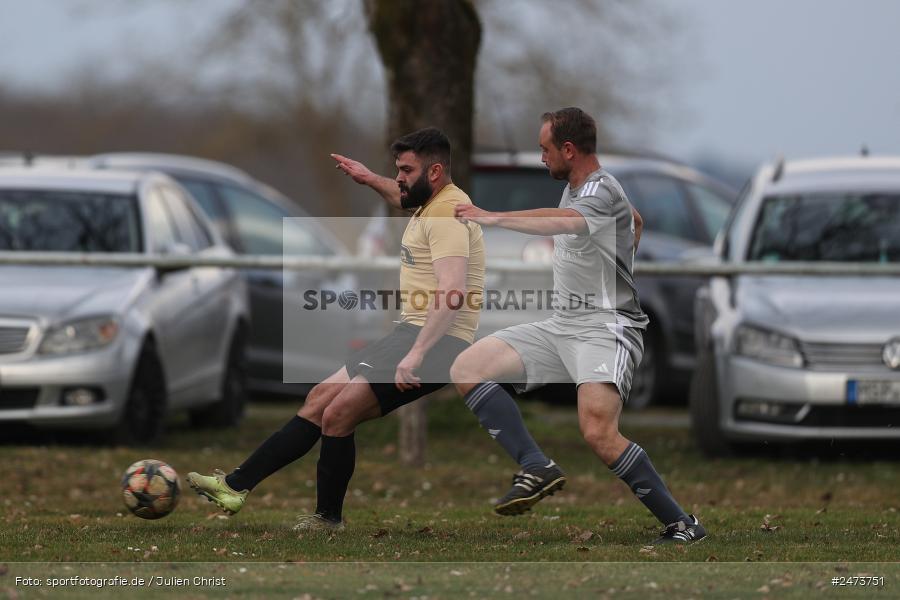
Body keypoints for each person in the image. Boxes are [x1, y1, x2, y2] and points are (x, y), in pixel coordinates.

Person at [187, 127, 486, 531]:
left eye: (405, 169)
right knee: (321, 398)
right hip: (411, 334)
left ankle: (328, 520)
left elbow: (452, 292)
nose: (398, 177)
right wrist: (368, 178)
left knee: (337, 414)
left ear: (434, 172)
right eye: (396, 169)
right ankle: (234, 486)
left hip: (434, 342)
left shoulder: (447, 213)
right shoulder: (429, 201)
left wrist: (417, 355)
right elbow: (401, 197)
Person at [451, 107, 706, 545]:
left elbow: (566, 223)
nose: (542, 158)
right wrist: (621, 255)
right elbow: (636, 222)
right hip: (563, 325)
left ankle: (683, 525)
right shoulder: (580, 188)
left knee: (598, 432)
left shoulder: (600, 190)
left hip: (607, 328)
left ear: (569, 149)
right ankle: (536, 466)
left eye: (545, 150)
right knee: (466, 368)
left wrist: (491, 217)